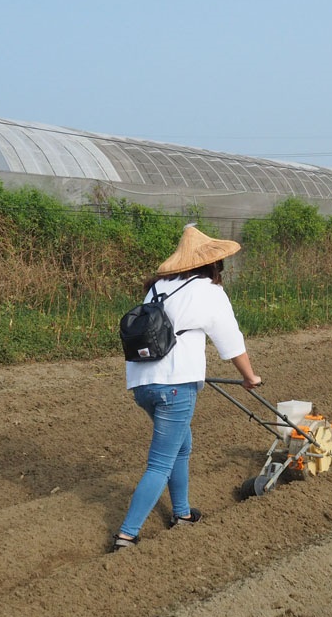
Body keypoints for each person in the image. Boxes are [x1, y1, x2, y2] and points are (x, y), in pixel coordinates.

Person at [112, 223, 262, 552]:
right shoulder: (208, 291)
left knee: (182, 444)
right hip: (175, 387)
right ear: (212, 264)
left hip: (142, 385)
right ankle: (127, 534)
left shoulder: (157, 288)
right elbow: (230, 340)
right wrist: (250, 376)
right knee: (160, 462)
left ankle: (181, 514)